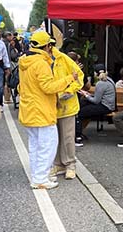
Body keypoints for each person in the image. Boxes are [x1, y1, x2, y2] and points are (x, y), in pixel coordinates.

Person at [18, 31, 78, 190]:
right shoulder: (41, 63)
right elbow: (48, 87)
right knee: (47, 145)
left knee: (35, 145)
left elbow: (21, 86)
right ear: (47, 45)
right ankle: (40, 178)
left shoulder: (24, 61)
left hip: (28, 109)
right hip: (42, 110)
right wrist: (69, 79)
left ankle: (36, 175)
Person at [50, 45, 84, 180]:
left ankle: (70, 164)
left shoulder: (64, 59)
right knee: (54, 138)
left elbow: (79, 76)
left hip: (67, 105)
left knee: (68, 137)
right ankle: (58, 163)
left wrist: (69, 90)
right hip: (50, 106)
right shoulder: (40, 61)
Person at [75, 64, 116, 146]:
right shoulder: (109, 80)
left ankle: (77, 136)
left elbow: (96, 101)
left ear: (95, 73)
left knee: (80, 113)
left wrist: (86, 95)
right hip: (109, 105)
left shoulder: (100, 83)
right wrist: (88, 95)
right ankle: (78, 131)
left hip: (105, 107)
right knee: (84, 104)